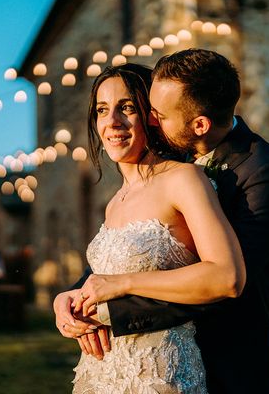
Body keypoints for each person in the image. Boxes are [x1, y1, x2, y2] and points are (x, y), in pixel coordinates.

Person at [55, 49, 269, 393]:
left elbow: (225, 281)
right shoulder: (163, 163)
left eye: (151, 113)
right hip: (119, 367)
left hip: (223, 356)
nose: (152, 121)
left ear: (198, 124)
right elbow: (126, 255)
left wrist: (106, 310)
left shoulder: (268, 173)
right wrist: (72, 296)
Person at [66, 63, 246, 393]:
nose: (112, 122)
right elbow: (100, 280)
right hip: (102, 373)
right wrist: (68, 302)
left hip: (159, 374)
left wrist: (122, 284)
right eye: (102, 110)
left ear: (151, 115)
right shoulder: (115, 201)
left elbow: (227, 277)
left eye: (127, 107)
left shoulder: (184, 180)